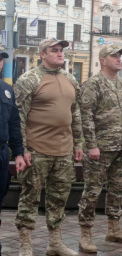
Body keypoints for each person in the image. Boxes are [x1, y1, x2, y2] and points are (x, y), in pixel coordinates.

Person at [14, 38, 84, 256]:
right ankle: (26, 245)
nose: (60, 53)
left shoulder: (71, 79)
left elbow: (75, 114)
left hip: (63, 151)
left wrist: (79, 143)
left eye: (62, 50)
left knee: (59, 198)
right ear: (42, 54)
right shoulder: (29, 79)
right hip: (37, 151)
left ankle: (55, 243)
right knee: (30, 198)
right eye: (54, 50)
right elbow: (19, 118)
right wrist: (22, 149)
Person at [77, 45, 122, 252]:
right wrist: (91, 145)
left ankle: (113, 229)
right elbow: (86, 118)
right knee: (92, 192)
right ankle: (85, 234)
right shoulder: (92, 85)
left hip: (120, 148)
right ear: (103, 60)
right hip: (100, 150)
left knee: (117, 190)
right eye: (114, 56)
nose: (119, 59)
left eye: (120, 56)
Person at [0, 52, 23, 223]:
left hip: (1, 153)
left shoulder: (7, 90)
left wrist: (19, 153)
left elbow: (14, 124)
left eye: (0, 59)